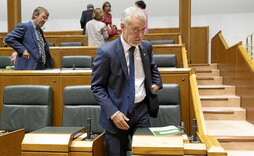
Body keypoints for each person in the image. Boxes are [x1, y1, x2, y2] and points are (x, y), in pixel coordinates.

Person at [91, 6, 162, 156]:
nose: (140, 35)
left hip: (142, 110)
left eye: (143, 30)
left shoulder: (146, 48)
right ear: (122, 26)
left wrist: (156, 84)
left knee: (145, 152)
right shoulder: (106, 52)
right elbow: (97, 87)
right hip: (117, 115)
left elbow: (153, 70)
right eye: (136, 29)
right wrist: (113, 113)